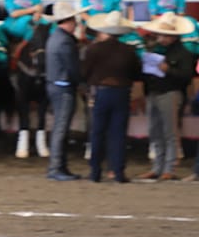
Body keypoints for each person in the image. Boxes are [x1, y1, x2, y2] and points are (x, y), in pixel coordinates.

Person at [82, 11, 141, 183]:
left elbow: (84, 72)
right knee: (118, 133)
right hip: (121, 92)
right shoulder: (129, 50)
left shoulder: (94, 49)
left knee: (97, 132)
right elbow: (137, 74)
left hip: (101, 92)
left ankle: (95, 171)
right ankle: (118, 172)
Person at [136, 13, 195, 182]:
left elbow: (186, 76)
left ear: (173, 36)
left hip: (170, 93)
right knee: (156, 131)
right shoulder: (163, 51)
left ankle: (168, 168)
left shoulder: (184, 53)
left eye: (164, 35)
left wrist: (168, 70)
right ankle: (159, 167)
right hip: (156, 93)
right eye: (160, 35)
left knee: (169, 132)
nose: (161, 38)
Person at [45, 1, 88, 181]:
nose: (76, 23)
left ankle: (58, 166)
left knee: (60, 127)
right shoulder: (65, 41)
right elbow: (73, 68)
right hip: (63, 87)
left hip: (56, 85)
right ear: (68, 21)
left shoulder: (56, 37)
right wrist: (82, 84)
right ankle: (56, 167)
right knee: (61, 128)